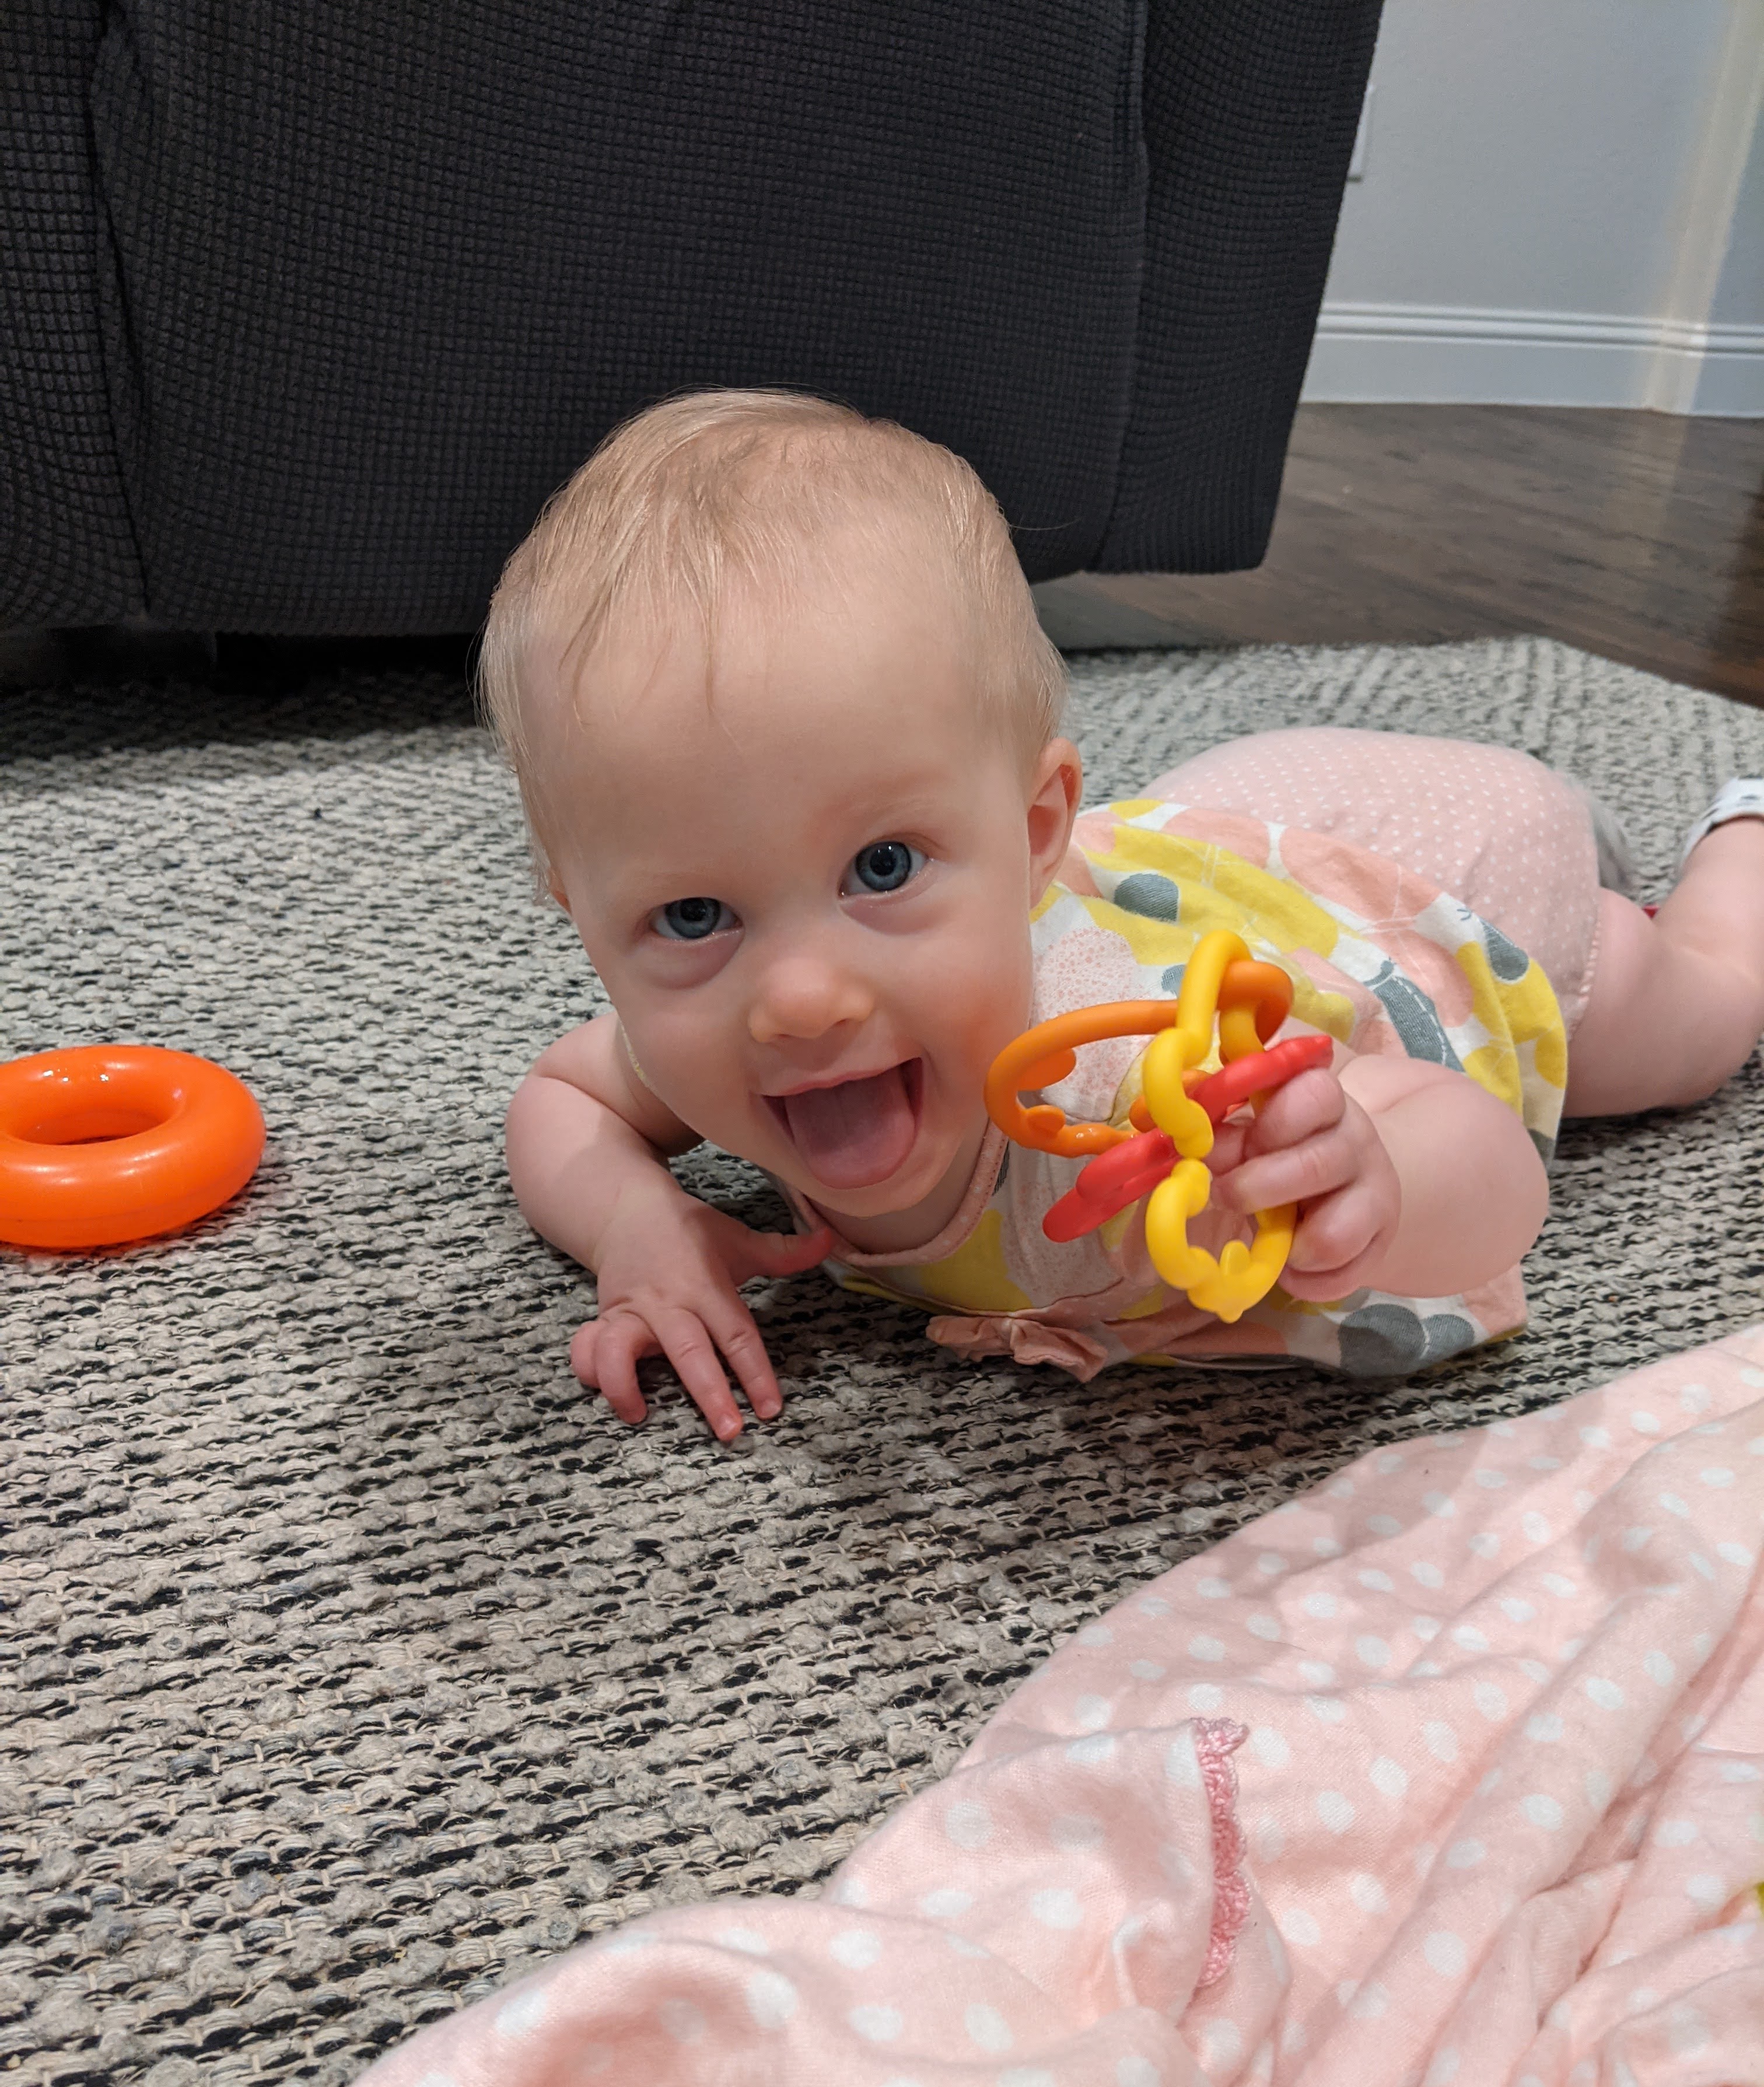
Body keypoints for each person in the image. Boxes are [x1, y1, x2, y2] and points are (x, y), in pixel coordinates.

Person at [481, 391, 1764, 1440]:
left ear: (1037, 831)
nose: (800, 1000)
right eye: (695, 913)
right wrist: (639, 1225)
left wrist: (1367, 1178)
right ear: (582, 918)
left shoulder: (1135, 1072)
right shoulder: (694, 1041)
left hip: (1442, 886)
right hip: (1210, 844)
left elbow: (1495, 1184)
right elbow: (564, 1098)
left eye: (882, 867)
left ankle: (1743, 828)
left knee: (1695, 1014)